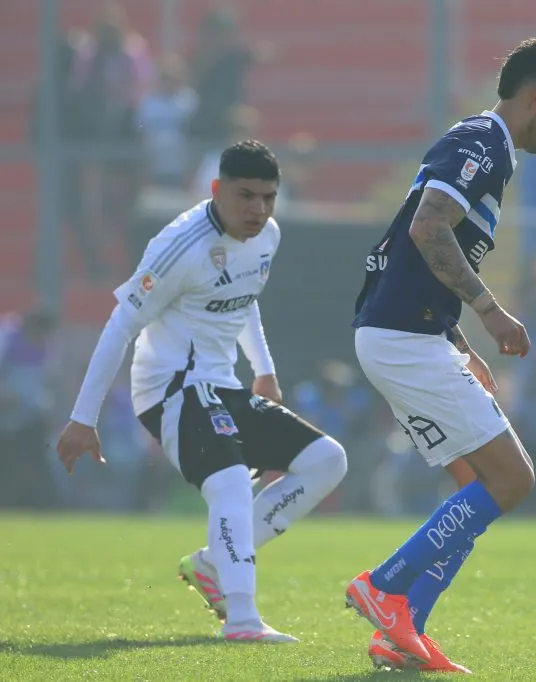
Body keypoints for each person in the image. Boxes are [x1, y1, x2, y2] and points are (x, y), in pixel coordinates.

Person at [347, 39, 536, 673]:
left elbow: (407, 246)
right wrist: (487, 311)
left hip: (408, 334)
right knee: (514, 480)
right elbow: (428, 228)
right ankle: (385, 585)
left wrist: (456, 340)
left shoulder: (482, 146)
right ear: (535, 97)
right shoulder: (483, 144)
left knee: (478, 491)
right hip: (401, 338)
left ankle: (400, 634)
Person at [55, 140, 348, 643]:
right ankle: (241, 618)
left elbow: (243, 297)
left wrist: (264, 370)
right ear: (216, 190)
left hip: (223, 385)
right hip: (170, 389)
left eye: (268, 198)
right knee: (231, 483)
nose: (258, 209)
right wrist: (84, 418)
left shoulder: (268, 235)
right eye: (246, 196)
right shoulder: (178, 248)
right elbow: (119, 327)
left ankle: (214, 562)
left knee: (328, 461)